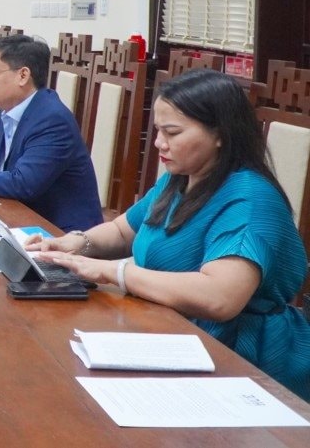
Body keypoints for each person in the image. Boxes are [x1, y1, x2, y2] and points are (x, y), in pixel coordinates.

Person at [28, 69, 310, 401]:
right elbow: (123, 230)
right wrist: (76, 242)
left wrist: (115, 272)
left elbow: (220, 297)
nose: (159, 143)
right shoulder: (181, 178)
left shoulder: (249, 198)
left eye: (172, 132)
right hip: (171, 330)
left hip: (243, 357)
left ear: (220, 133)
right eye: (158, 131)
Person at [0, 34, 102, 232]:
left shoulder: (52, 119)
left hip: (59, 233)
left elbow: (23, 183)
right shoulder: (8, 109)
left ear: (23, 75)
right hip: (17, 219)